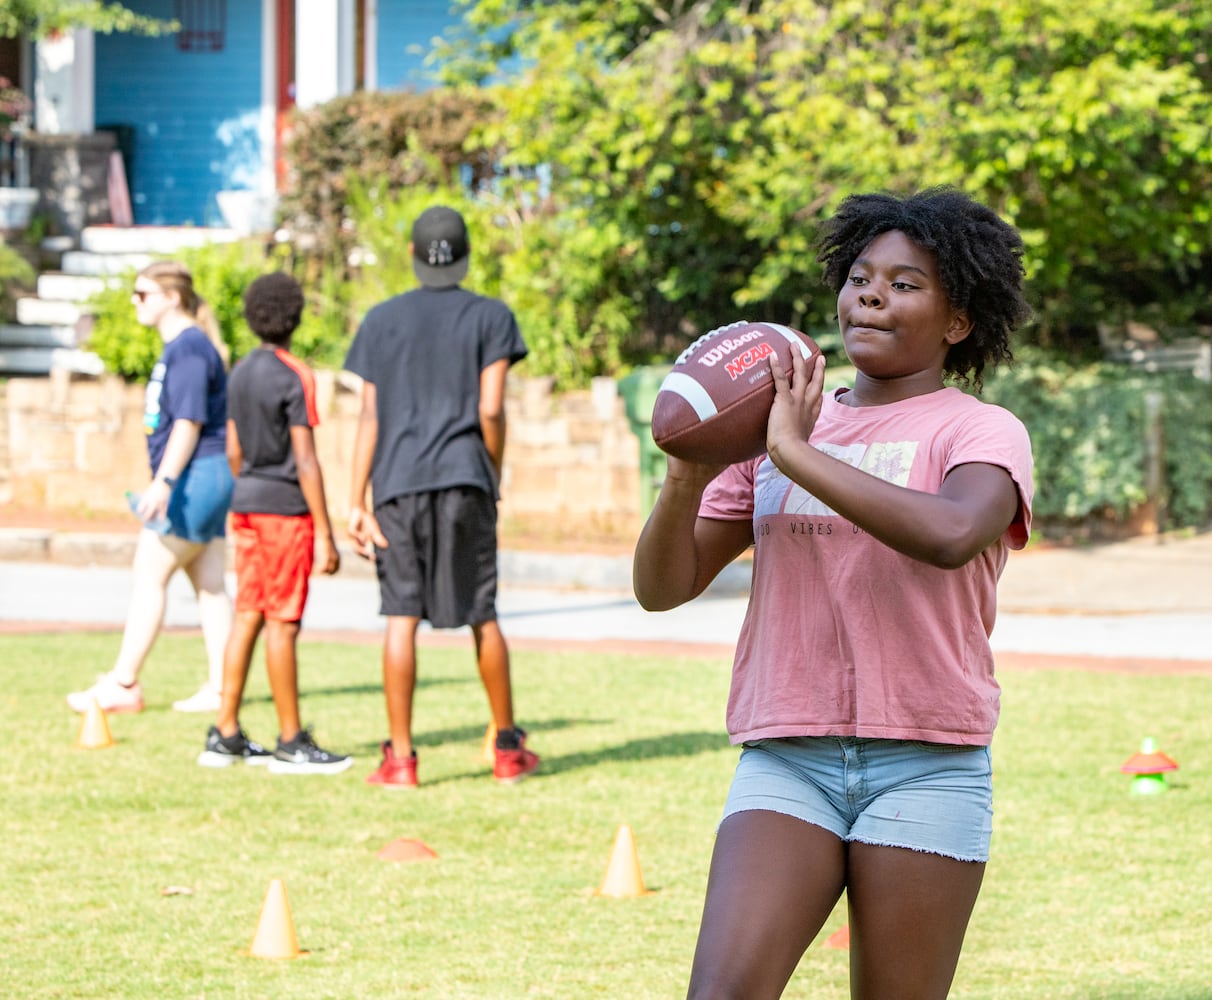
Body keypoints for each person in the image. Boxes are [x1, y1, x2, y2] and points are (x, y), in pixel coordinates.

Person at [633, 188, 1035, 1000]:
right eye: (859, 276)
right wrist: (685, 477)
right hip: (787, 755)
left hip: (925, 761)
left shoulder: (979, 431)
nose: (872, 294)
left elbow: (953, 534)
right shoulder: (770, 432)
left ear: (957, 322)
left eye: (905, 282)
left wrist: (794, 449)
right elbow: (663, 588)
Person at [344, 204, 540, 788]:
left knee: (400, 616)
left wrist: (354, 500)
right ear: (465, 256)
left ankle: (401, 760)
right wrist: (492, 472)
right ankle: (507, 748)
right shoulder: (491, 316)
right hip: (465, 479)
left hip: (397, 484)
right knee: (483, 613)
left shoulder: (380, 320)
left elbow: (368, 416)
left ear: (410, 254)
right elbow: (490, 407)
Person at [196, 272, 350, 774]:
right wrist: (326, 532)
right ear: (295, 317)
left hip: (246, 507)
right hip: (286, 514)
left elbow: (236, 448)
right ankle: (290, 740)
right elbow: (307, 461)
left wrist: (249, 489)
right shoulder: (295, 374)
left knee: (248, 615)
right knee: (283, 623)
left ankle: (225, 729)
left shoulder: (240, 371)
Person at [67, 261, 234, 715]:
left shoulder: (189, 349)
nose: (134, 302)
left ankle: (123, 683)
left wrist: (164, 482)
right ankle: (223, 690)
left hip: (196, 477)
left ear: (172, 297)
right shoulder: (184, 348)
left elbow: (189, 421)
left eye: (142, 294)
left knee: (149, 574)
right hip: (205, 475)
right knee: (211, 584)